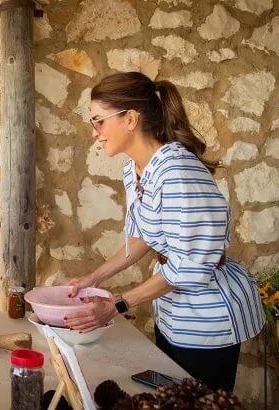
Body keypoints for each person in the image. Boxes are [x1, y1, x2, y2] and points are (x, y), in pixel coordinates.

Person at [64, 72, 264, 392]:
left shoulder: (176, 171)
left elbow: (184, 266)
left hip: (205, 321)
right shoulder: (136, 168)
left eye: (99, 121)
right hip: (172, 313)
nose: (94, 133)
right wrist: (94, 278)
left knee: (199, 401)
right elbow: (143, 236)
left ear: (130, 119)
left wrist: (116, 305)